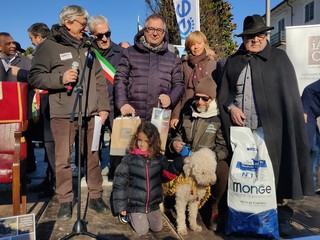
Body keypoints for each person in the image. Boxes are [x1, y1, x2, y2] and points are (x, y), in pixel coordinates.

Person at [217, 14, 314, 236]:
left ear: (265, 35)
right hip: (242, 133)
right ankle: (242, 217)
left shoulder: (279, 59)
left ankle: (281, 218)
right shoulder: (233, 61)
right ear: (244, 38)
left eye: (260, 34)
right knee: (244, 178)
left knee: (276, 177)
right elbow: (223, 95)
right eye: (251, 35)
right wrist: (232, 108)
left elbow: (287, 97)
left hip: (272, 132)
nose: (256, 39)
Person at [28, 5, 110, 220]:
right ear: (68, 22)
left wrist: (103, 108)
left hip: (91, 114)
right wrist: (60, 79)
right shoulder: (47, 47)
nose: (86, 28)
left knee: (93, 158)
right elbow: (35, 77)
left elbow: (99, 79)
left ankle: (95, 197)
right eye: (82, 24)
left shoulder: (88, 46)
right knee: (63, 160)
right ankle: (65, 199)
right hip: (63, 114)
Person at [167, 77, 229, 231]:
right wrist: (175, 143)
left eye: (205, 99)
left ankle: (214, 206)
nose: (200, 102)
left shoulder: (218, 119)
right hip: (187, 156)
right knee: (170, 165)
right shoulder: (188, 113)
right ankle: (169, 196)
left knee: (223, 171)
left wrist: (211, 157)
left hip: (208, 158)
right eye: (197, 98)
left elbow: (223, 147)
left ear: (212, 98)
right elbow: (179, 134)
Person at [112, 122, 183, 235]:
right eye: (140, 140)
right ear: (136, 139)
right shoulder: (129, 159)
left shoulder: (159, 158)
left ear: (153, 142)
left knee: (157, 227)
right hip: (135, 204)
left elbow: (168, 173)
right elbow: (119, 184)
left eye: (147, 141)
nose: (142, 144)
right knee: (142, 230)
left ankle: (144, 215)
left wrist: (181, 162)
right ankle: (129, 216)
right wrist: (122, 207)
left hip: (152, 204)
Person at [114, 13, 184, 122]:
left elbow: (179, 84)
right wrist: (123, 103)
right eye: (151, 29)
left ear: (164, 33)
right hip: (133, 116)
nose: (155, 33)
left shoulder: (172, 58)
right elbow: (120, 80)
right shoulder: (130, 53)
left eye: (159, 30)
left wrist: (171, 98)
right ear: (144, 31)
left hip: (160, 119)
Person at [88, 15, 124, 181]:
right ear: (92, 35)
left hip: (116, 103)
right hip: (95, 105)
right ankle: (94, 174)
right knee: (94, 143)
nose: (104, 39)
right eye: (99, 36)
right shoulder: (87, 53)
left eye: (107, 34)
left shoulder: (121, 53)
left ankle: (116, 173)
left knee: (118, 144)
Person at [27, 22, 56, 199]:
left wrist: (22, 74)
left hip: (51, 103)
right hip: (46, 103)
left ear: (38, 37)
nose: (31, 43)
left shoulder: (46, 48)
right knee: (48, 146)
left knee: (52, 146)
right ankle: (49, 178)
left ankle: (54, 184)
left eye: (31, 39)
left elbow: (38, 76)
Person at [0, 32, 36, 174]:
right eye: (8, 43)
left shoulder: (26, 61)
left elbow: (33, 79)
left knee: (24, 141)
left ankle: (26, 170)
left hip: (21, 112)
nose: (13, 45)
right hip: (2, 113)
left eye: (13, 42)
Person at [170, 31, 216, 129]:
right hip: (186, 111)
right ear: (188, 47)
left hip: (208, 112)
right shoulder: (183, 66)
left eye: (199, 43)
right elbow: (179, 92)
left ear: (204, 44)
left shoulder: (213, 65)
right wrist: (175, 115)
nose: (196, 47)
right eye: (192, 44)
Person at [301, 79, 320, 194]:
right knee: (306, 148)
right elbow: (308, 89)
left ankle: (312, 185)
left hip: (314, 114)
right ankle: (300, 185)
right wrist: (304, 111)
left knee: (316, 150)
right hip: (307, 113)